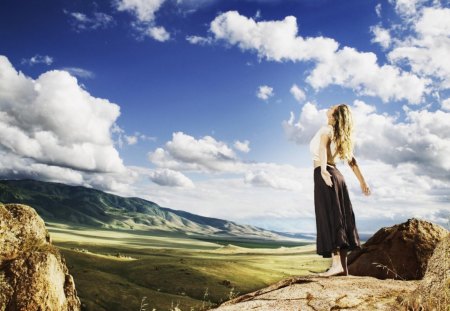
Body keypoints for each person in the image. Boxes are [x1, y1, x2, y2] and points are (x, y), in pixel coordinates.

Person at [309, 104, 371, 277]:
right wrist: (362, 182)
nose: (328, 108)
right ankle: (343, 268)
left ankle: (336, 265)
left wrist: (322, 170)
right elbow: (352, 161)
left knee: (330, 217)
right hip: (338, 176)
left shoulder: (326, 130)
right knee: (340, 218)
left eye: (332, 108)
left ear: (335, 117)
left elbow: (322, 148)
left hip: (326, 173)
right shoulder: (340, 136)